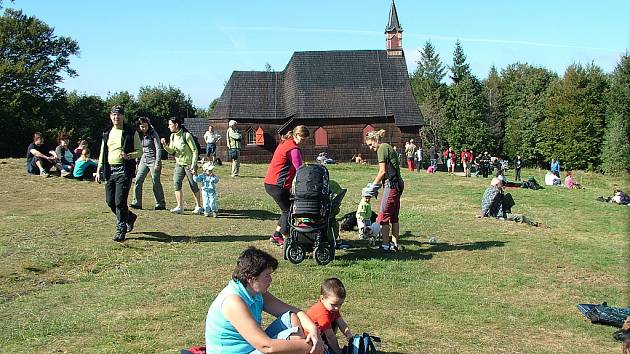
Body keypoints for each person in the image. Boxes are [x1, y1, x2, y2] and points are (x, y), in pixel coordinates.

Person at [205, 247, 324, 354]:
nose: (270, 280)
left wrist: (314, 330)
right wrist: (309, 347)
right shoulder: (233, 301)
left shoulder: (255, 292)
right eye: (267, 275)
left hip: (251, 347)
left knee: (292, 317)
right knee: (294, 346)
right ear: (251, 278)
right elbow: (266, 347)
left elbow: (294, 311)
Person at [95, 105, 142, 242]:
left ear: (123, 116)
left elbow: (139, 151)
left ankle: (121, 229)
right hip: (109, 170)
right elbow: (103, 152)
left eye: (119, 115)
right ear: (111, 116)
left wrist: (129, 155)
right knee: (110, 202)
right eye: (114, 115)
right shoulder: (107, 133)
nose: (116, 117)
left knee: (120, 202)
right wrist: (99, 170)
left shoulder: (131, 132)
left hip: (124, 170)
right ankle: (130, 217)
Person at [264, 126, 310, 245]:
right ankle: (285, 238)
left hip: (270, 183)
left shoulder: (285, 143)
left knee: (287, 209)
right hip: (277, 185)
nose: (303, 142)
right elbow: (300, 169)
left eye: (305, 140)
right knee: (288, 211)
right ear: (296, 135)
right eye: (302, 138)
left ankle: (276, 234)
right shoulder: (293, 149)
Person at [364, 129, 404, 252]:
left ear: (376, 140)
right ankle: (395, 244)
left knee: (383, 216)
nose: (371, 148)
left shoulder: (382, 149)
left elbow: (382, 172)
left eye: (371, 144)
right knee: (394, 216)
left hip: (391, 185)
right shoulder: (387, 147)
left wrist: (372, 187)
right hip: (399, 183)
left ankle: (386, 245)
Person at [161, 117, 203, 215]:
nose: (168, 126)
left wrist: (193, 165)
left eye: (170, 124)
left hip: (189, 165)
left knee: (193, 184)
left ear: (176, 125)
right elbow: (172, 151)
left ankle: (199, 206)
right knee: (176, 183)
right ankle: (180, 206)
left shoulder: (187, 135)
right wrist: (165, 146)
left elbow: (195, 150)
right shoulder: (172, 136)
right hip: (179, 164)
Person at [306, 278, 353, 354]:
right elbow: (330, 336)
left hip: (320, 334)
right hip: (309, 341)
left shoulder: (332, 309)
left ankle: (328, 346)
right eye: (333, 304)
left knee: (335, 321)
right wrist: (338, 352)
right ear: (322, 298)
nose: (337, 308)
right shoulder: (322, 313)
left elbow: (341, 322)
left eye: (340, 304)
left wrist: (348, 334)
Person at [130, 117, 166, 210]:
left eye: (146, 126)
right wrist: (137, 163)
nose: (144, 128)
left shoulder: (153, 133)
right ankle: (136, 202)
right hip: (143, 160)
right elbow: (138, 149)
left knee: (155, 181)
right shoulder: (138, 134)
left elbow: (158, 148)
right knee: (138, 180)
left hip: (153, 160)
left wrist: (157, 162)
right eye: (142, 126)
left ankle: (160, 203)